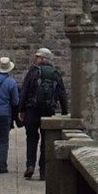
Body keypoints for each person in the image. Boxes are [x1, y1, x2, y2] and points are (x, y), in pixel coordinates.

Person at [18, 47, 69, 180]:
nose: (36, 59)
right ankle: (43, 171)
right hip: (48, 111)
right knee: (46, 141)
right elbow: (62, 94)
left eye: (38, 57)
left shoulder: (33, 72)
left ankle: (30, 165)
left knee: (31, 138)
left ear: (42, 59)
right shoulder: (55, 73)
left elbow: (24, 91)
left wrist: (21, 110)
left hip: (32, 110)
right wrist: (64, 112)